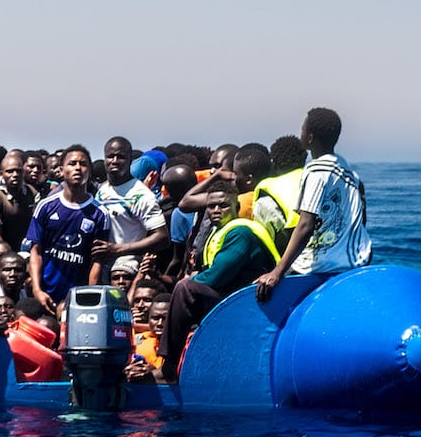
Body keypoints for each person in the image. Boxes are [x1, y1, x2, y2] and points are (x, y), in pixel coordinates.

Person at [158, 181, 278, 382]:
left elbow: (216, 277)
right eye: (211, 206)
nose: (216, 210)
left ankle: (169, 367)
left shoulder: (240, 233)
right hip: (231, 299)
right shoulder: (218, 233)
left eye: (223, 205)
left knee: (186, 288)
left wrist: (192, 277)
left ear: (236, 208)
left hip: (250, 303)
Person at [254, 108, 372, 303]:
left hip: (326, 264)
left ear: (309, 138)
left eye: (302, 129)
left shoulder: (316, 170)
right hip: (359, 258)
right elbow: (362, 218)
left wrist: (277, 272)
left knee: (264, 287)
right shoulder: (349, 171)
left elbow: (305, 225)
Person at [23, 145, 112, 312]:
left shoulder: (100, 214)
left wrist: (87, 298)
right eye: (72, 163)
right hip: (45, 293)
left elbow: (97, 261)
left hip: (76, 298)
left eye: (83, 164)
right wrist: (37, 290)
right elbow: (36, 251)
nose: (78, 168)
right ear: (62, 170)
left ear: (89, 171)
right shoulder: (46, 206)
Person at [91, 136, 169, 275]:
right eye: (110, 156)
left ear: (130, 160)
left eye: (120, 157)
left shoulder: (141, 195)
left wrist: (118, 249)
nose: (115, 161)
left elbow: (162, 237)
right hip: (101, 266)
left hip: (127, 269)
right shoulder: (102, 190)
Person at [252, 134, 308, 252]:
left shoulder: (267, 192)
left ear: (273, 162)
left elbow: (264, 238)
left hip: (289, 256)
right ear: (304, 159)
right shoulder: (317, 178)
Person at [0, 152, 37, 251]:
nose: (15, 175)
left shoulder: (31, 193)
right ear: (1, 173)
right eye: (10, 171)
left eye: (18, 171)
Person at [124, 292, 171, 383]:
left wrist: (153, 372)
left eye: (165, 318)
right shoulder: (134, 340)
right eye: (155, 318)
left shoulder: (184, 344)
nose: (159, 323)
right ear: (149, 319)